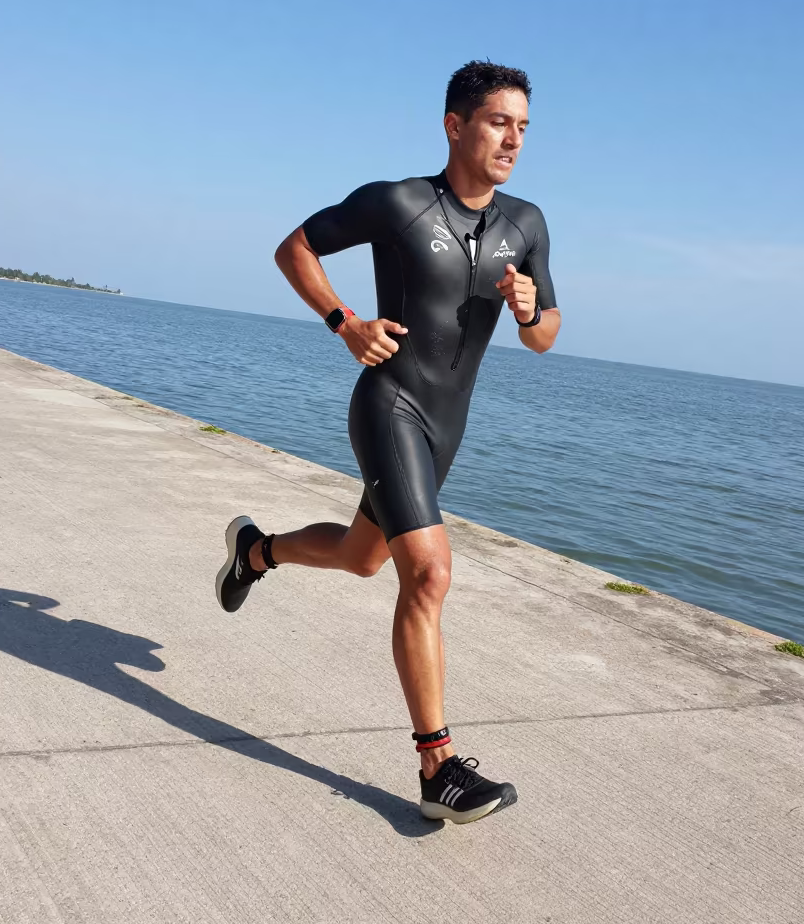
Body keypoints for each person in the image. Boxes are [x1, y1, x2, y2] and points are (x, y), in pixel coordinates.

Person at [216, 60, 561, 824]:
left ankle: (255, 552)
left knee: (363, 556)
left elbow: (545, 339)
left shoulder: (526, 225)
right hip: (390, 403)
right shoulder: (398, 203)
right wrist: (346, 324)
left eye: (524, 127)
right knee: (429, 574)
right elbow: (295, 248)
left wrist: (532, 309)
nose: (514, 140)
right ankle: (437, 766)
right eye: (500, 122)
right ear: (455, 126)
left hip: (449, 424)